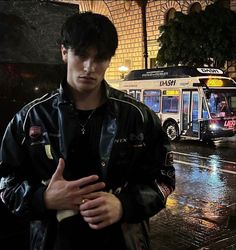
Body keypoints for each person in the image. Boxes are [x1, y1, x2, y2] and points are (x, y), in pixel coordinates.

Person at [0, 11, 175, 250]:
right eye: (81, 55)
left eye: (100, 58)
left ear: (109, 60)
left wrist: (124, 204)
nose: (89, 67)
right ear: (64, 52)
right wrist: (44, 198)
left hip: (122, 242)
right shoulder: (31, 117)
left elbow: (164, 179)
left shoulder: (138, 116)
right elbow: (6, 182)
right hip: (53, 241)